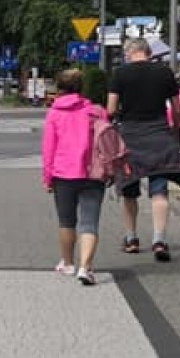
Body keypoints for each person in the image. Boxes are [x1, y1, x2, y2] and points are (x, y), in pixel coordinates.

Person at [108, 37, 180, 262]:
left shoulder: (120, 74)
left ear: (129, 52)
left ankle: (132, 238)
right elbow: (177, 108)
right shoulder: (164, 72)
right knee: (159, 190)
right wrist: (174, 130)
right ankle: (159, 240)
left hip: (130, 136)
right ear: (148, 52)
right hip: (159, 134)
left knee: (129, 190)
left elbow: (111, 108)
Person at [42, 69, 108, 286]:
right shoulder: (96, 111)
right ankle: (85, 267)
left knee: (66, 221)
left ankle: (68, 263)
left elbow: (49, 147)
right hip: (93, 173)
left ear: (60, 88)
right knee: (89, 222)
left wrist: (48, 176)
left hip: (63, 172)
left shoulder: (54, 112)